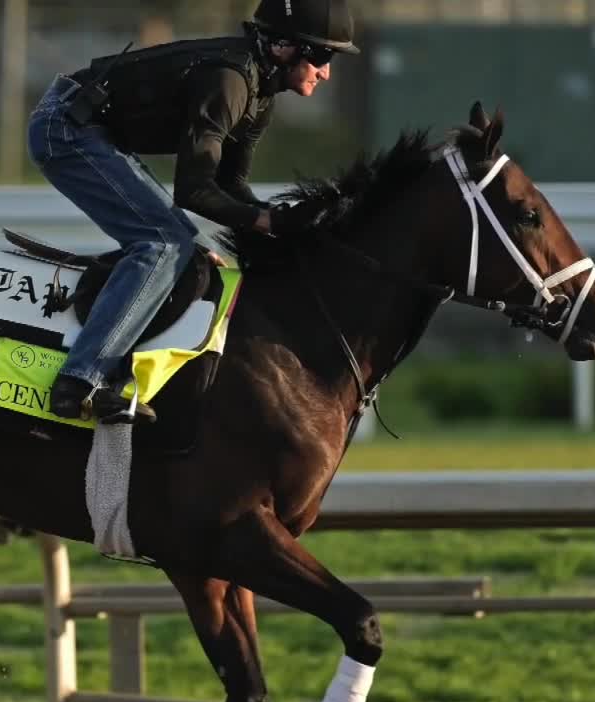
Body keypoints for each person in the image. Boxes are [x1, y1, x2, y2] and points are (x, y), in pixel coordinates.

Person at [27, 0, 361, 425]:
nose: (326, 71)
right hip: (66, 128)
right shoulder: (230, 82)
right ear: (281, 47)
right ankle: (81, 382)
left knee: (184, 247)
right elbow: (193, 190)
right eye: (322, 55)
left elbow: (230, 187)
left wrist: (284, 219)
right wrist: (269, 222)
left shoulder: (260, 96)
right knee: (162, 243)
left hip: (98, 132)